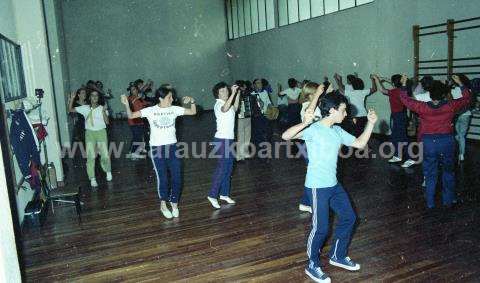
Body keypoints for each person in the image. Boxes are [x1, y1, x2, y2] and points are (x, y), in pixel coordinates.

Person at [282, 85, 378, 283]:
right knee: (321, 228)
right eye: (343, 109)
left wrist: (370, 124)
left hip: (333, 185)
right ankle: (312, 264)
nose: (346, 113)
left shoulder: (337, 131)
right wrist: (304, 124)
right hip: (317, 186)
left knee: (350, 217)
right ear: (332, 110)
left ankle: (338, 255)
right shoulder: (313, 130)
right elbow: (286, 136)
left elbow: (359, 144)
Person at [120, 86, 197, 219]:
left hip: (172, 147)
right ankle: (163, 204)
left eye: (172, 97)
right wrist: (127, 105)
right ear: (161, 98)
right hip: (157, 149)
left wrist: (193, 101)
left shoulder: (174, 109)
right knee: (163, 178)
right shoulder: (151, 110)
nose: (172, 99)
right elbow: (131, 115)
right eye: (169, 97)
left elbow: (192, 112)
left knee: (177, 177)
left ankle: (174, 203)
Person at [398, 74, 471, 209]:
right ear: (444, 94)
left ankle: (430, 202)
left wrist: (403, 84)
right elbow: (467, 98)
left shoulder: (422, 107)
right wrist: (460, 83)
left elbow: (404, 99)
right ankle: (448, 201)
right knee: (448, 172)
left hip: (429, 143)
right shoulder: (451, 106)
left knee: (430, 173)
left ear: (430, 94)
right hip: (447, 142)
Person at [68, 90, 112, 188]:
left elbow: (107, 122)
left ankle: (108, 171)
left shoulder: (102, 108)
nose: (94, 97)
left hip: (101, 132)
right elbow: (70, 109)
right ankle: (92, 178)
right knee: (91, 156)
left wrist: (104, 111)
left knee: (104, 154)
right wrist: (72, 99)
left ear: (98, 98)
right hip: (89, 133)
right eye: (92, 95)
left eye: (96, 95)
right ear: (90, 98)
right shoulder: (85, 108)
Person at [207, 82, 240, 208]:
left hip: (229, 140)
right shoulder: (218, 104)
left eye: (226, 90)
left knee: (229, 168)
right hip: (221, 141)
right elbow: (225, 108)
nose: (225, 92)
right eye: (223, 91)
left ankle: (224, 194)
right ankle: (212, 194)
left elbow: (235, 108)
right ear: (217, 94)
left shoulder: (228, 104)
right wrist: (232, 93)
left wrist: (237, 93)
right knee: (222, 169)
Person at [374, 74, 415, 168]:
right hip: (400, 115)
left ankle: (411, 158)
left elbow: (382, 90)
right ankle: (397, 156)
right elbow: (395, 84)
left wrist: (376, 79)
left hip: (398, 116)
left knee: (402, 137)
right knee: (395, 137)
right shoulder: (401, 90)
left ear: (393, 83)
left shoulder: (394, 91)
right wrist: (385, 78)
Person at [334, 73, 377, 137]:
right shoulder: (363, 92)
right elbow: (374, 89)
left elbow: (341, 90)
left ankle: (356, 145)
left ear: (353, 86)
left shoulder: (351, 93)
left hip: (355, 116)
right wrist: (372, 79)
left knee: (354, 133)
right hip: (364, 116)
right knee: (360, 132)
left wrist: (339, 80)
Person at [451, 74, 473, 162]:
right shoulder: (468, 90)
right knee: (461, 135)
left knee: (458, 135)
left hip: (456, 114)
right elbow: (469, 101)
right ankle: (462, 154)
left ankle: (460, 153)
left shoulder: (453, 90)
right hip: (466, 114)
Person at [126, 83, 150, 159]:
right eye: (132, 90)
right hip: (133, 121)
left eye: (135, 89)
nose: (134, 91)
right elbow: (130, 106)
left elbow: (145, 104)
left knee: (137, 136)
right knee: (137, 137)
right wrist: (137, 98)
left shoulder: (139, 98)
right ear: (130, 91)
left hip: (140, 120)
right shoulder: (129, 98)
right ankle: (134, 153)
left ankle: (131, 151)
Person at [251, 79, 273, 150]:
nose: (260, 84)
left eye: (260, 83)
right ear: (254, 85)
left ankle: (266, 147)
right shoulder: (252, 94)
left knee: (268, 132)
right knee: (258, 134)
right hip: (257, 117)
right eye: (258, 83)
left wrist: (271, 109)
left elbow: (268, 102)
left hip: (266, 115)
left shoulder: (265, 92)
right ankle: (260, 150)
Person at [235, 80, 252, 161]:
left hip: (248, 116)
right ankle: (239, 155)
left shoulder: (248, 94)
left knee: (248, 136)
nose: (245, 87)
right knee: (240, 137)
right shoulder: (236, 96)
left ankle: (245, 152)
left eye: (245, 86)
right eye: (243, 86)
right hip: (240, 118)